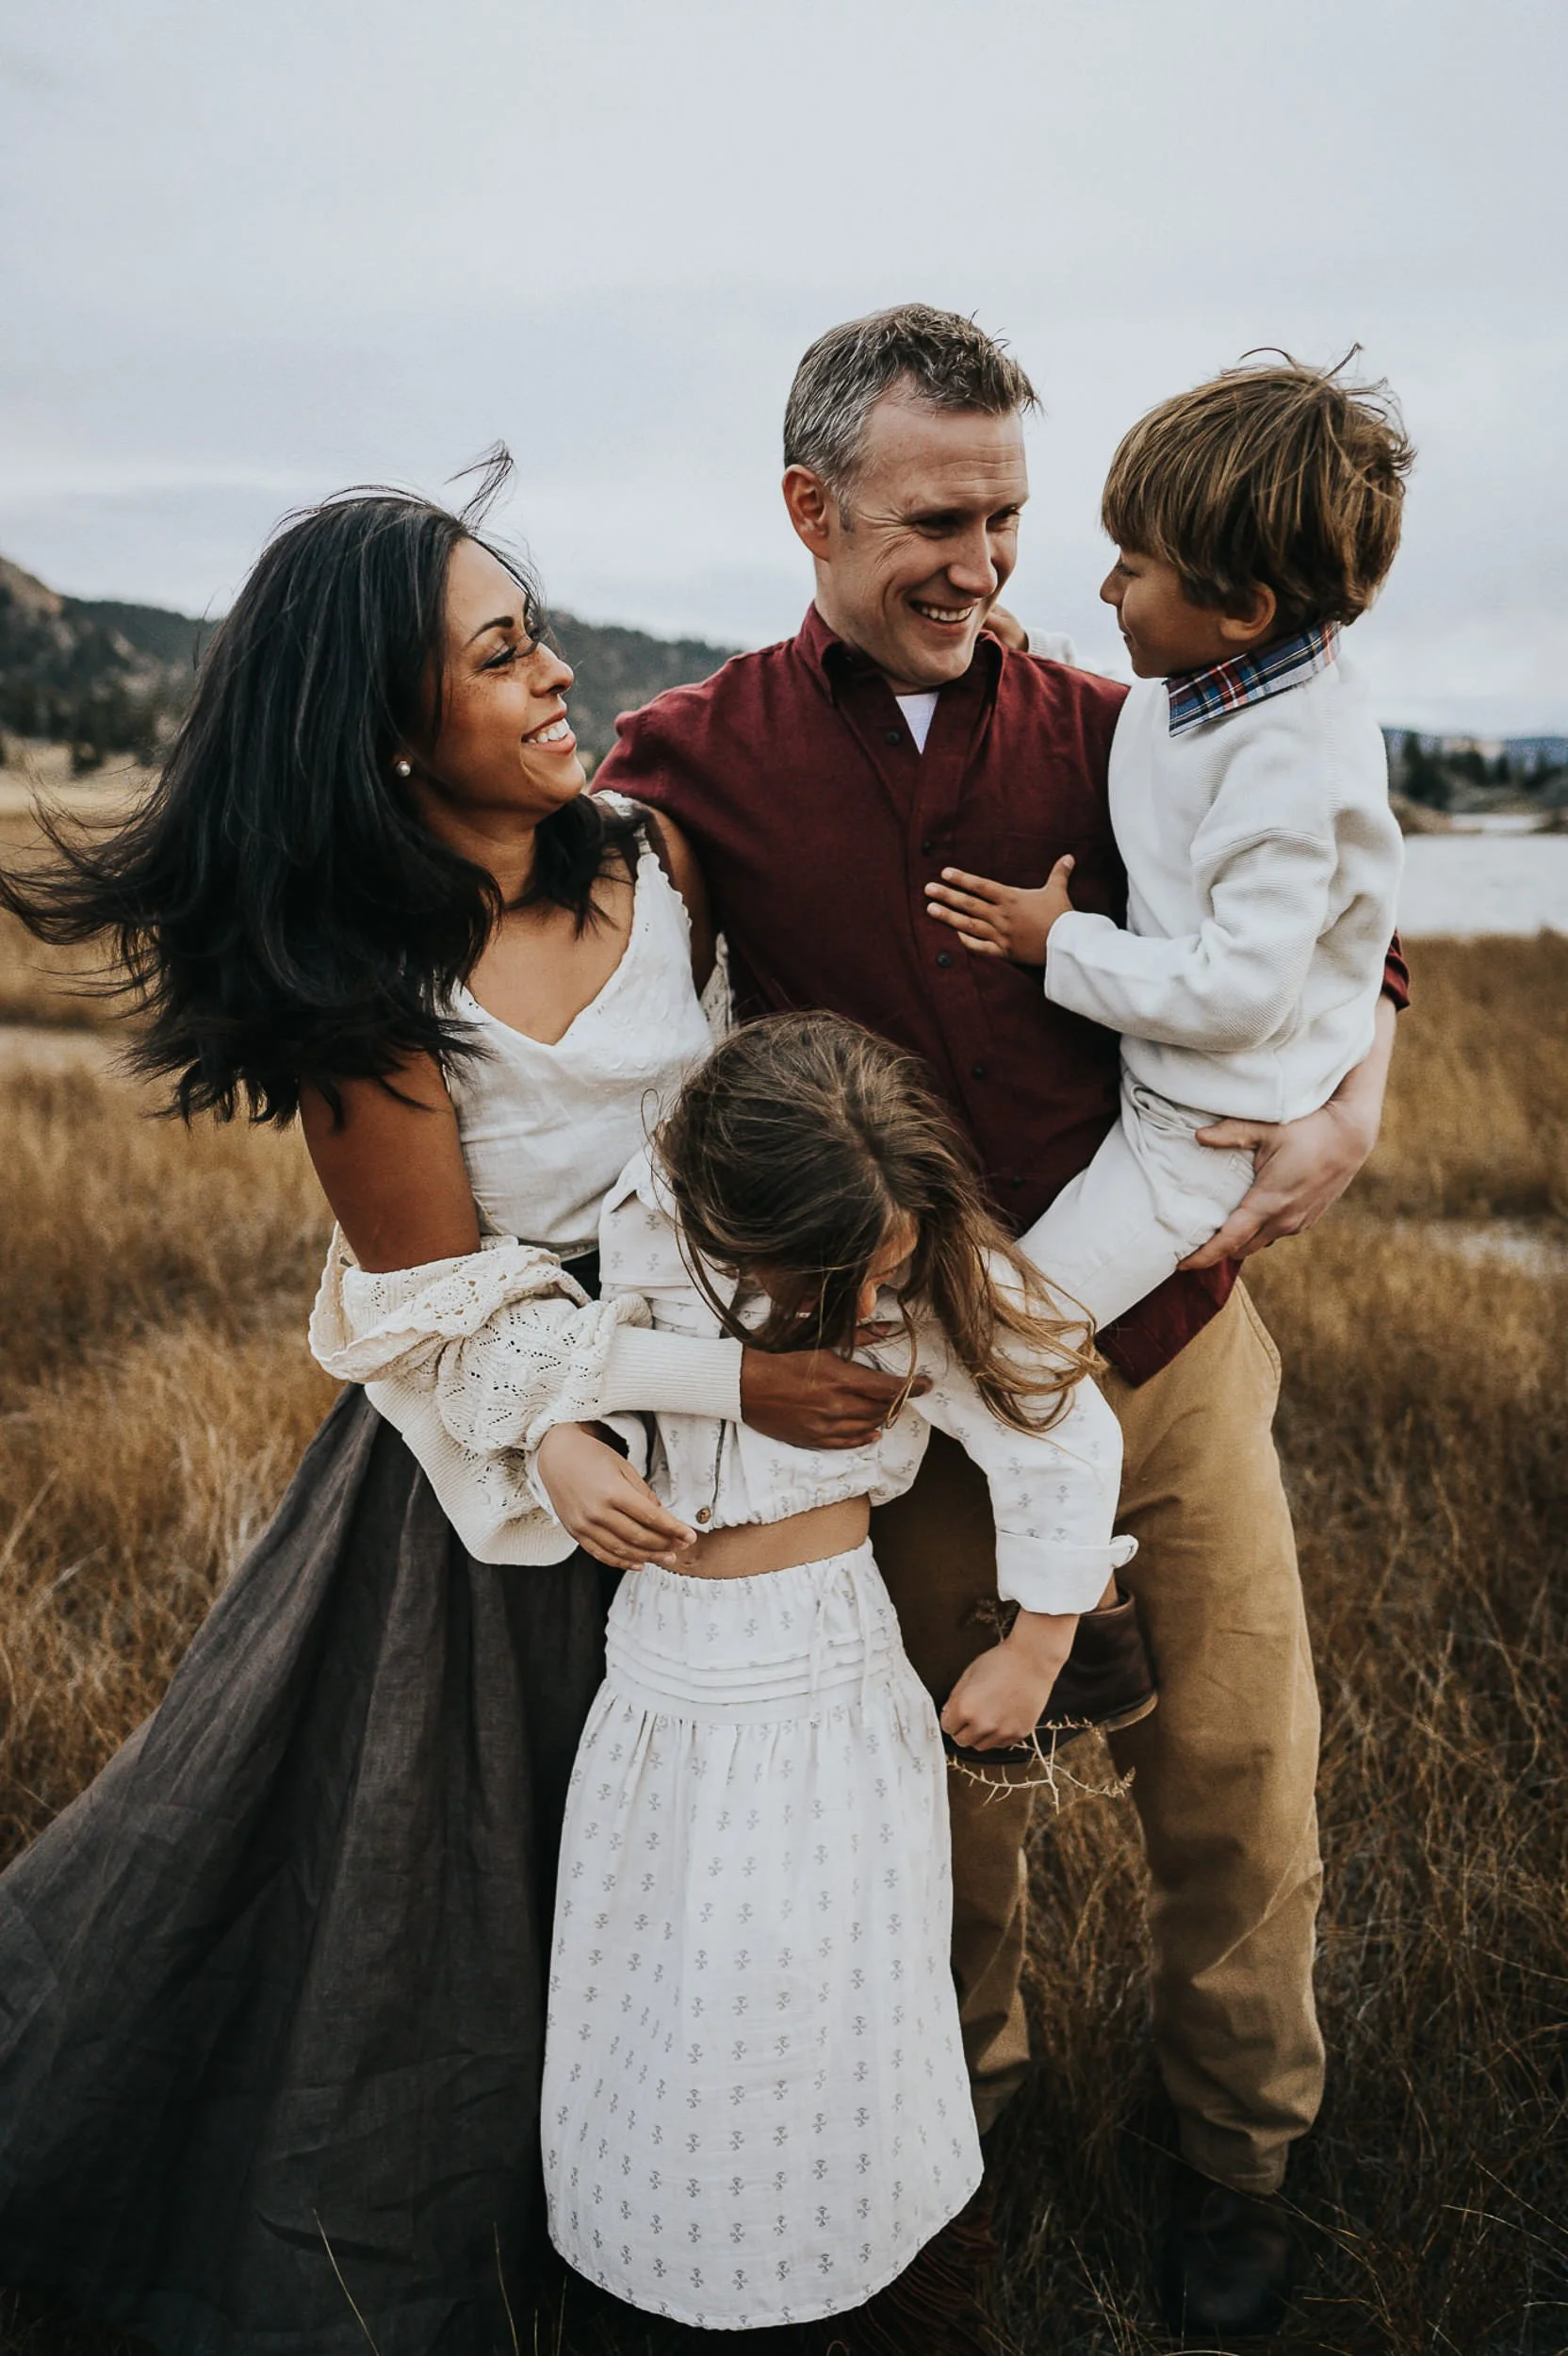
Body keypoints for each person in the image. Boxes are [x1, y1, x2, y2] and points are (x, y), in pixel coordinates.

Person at [0, 467, 910, 2354]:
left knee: (718, 1860)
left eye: (537, 625)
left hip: (723, 1431)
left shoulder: (659, 859)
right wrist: (562, 1430)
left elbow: (741, 1118)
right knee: (453, 1893)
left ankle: (714, 2229)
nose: (556, 670)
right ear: (385, 729)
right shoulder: (359, 975)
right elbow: (431, 1292)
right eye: (501, 655)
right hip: (496, 1471)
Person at [594, 304, 1411, 2338]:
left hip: (1171, 1352)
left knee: (1237, 1778)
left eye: (1011, 517)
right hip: (922, 1399)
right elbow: (565, 979)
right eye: (934, 519)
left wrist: (1357, 1084)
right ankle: (945, 2146)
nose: (984, 564)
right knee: (945, 1812)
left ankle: (1237, 2164)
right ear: (812, 508)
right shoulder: (688, 758)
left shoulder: (1127, 722)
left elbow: (1309, 922)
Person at [534, 1012, 1134, 2336]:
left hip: (821, 1686)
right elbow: (545, 1356)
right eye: (835, 1282)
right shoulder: (639, 1220)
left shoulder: (912, 1273)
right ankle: (672, 2275)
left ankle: (854, 2284)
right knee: (662, 1992)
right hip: (656, 1682)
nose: (869, 1308)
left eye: (887, 1272)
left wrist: (1040, 1646)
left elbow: (1065, 1431)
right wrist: (561, 1443)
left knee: (814, 1997)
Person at [925, 356, 1411, 1332]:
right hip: (1155, 1095)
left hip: (1200, 1134)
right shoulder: (1228, 679)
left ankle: (1061, 1478)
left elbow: (1239, 995)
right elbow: (1150, 723)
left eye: (1133, 568)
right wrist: (1035, 664)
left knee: (1010, 1333)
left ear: (1241, 611)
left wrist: (1055, 941)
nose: (1106, 586)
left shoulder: (1295, 773)